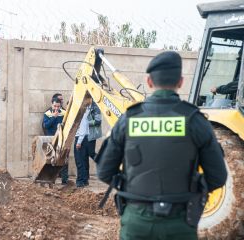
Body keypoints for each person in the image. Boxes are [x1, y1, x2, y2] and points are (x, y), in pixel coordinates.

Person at [96, 51, 227, 239]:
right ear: (180, 82)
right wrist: (193, 190)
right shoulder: (195, 120)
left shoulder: (128, 119)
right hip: (180, 222)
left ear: (149, 82)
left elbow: (104, 171)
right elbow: (218, 177)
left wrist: (131, 188)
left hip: (136, 221)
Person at [42, 97, 68, 184]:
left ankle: (64, 180)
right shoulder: (47, 114)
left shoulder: (64, 113)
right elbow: (46, 126)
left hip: (61, 140)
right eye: (55, 106)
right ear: (51, 105)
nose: (56, 108)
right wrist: (53, 118)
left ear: (60, 106)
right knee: (50, 160)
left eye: (58, 106)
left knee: (63, 159)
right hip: (51, 140)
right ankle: (50, 180)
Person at [74, 106, 90, 188]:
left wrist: (79, 142)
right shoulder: (87, 111)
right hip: (85, 138)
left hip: (81, 138)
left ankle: (80, 181)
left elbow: (83, 129)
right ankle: (85, 180)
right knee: (84, 160)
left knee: (79, 161)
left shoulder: (82, 114)